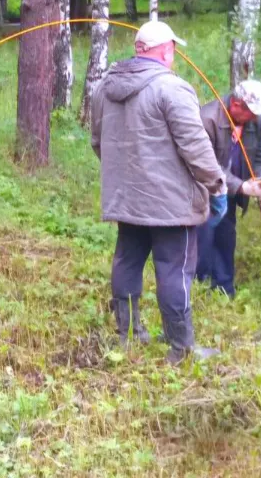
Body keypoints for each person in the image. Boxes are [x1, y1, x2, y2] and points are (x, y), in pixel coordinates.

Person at [91, 20, 228, 363]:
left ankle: (129, 335)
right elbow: (195, 146)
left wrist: (125, 175)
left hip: (126, 198)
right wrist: (216, 184)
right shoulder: (173, 89)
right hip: (171, 203)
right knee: (174, 269)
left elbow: (99, 142)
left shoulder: (104, 88)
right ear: (166, 50)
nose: (175, 55)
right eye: (174, 49)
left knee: (127, 259)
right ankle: (182, 348)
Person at [196, 79, 261, 297]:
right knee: (203, 236)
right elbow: (206, 166)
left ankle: (224, 289)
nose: (256, 117)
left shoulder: (256, 120)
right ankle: (197, 288)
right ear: (236, 105)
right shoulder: (207, 119)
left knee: (226, 236)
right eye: (252, 112)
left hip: (232, 192)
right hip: (205, 189)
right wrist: (240, 186)